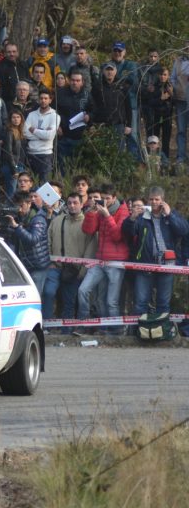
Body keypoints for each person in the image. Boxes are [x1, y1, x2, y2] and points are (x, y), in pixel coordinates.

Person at [123, 186, 189, 317]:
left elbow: (184, 231)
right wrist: (132, 218)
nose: (154, 202)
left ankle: (161, 333)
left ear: (163, 200)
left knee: (163, 303)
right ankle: (139, 333)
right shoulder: (142, 216)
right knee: (140, 303)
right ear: (147, 200)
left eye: (157, 199)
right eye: (151, 199)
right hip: (145, 264)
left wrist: (170, 215)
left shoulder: (171, 214)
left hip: (167, 265)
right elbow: (127, 232)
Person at [77, 183, 130, 333]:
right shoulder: (99, 211)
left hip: (116, 262)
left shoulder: (123, 212)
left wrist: (107, 215)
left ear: (114, 198)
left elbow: (117, 236)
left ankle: (115, 330)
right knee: (83, 290)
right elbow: (88, 230)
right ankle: (84, 323)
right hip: (100, 260)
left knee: (111, 301)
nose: (105, 202)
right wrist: (92, 213)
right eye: (103, 198)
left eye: (108, 198)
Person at [43, 193, 96, 324]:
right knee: (48, 293)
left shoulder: (87, 223)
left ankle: (67, 329)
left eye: (75, 203)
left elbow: (91, 249)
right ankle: (47, 326)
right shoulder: (57, 221)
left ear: (82, 204)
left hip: (75, 270)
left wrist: (82, 271)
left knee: (69, 302)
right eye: (69, 203)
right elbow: (48, 241)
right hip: (55, 267)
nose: (72, 206)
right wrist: (50, 261)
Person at [5, 190, 50, 292]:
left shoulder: (38, 218)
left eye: (22, 205)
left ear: (29, 203)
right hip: (23, 265)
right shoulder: (18, 218)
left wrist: (17, 227)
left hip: (38, 265)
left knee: (35, 296)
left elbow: (33, 239)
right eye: (17, 206)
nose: (19, 209)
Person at [55, 72, 95, 169]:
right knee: (62, 165)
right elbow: (53, 111)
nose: (74, 83)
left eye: (77, 81)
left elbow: (93, 110)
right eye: (73, 80)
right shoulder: (60, 93)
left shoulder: (87, 95)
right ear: (69, 80)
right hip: (63, 135)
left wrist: (89, 116)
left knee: (78, 165)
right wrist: (57, 126)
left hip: (80, 136)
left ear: (82, 82)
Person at [23, 90, 59, 182]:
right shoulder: (31, 114)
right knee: (31, 184)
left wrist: (33, 130)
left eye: (46, 98)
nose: (43, 100)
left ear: (50, 100)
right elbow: (25, 133)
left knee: (44, 185)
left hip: (45, 155)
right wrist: (42, 134)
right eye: (41, 98)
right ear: (38, 100)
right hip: (31, 153)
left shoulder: (55, 116)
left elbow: (49, 136)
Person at [170, 39, 189, 167]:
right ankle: (181, 157)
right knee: (181, 130)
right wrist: (176, 89)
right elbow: (172, 78)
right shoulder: (177, 61)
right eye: (186, 47)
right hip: (181, 101)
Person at [1, 109, 26, 200]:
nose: (16, 119)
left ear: (21, 119)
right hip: (11, 166)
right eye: (14, 117)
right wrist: (14, 169)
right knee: (11, 192)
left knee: (17, 191)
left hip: (19, 165)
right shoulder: (10, 132)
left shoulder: (20, 131)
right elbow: (8, 152)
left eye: (18, 117)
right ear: (10, 119)